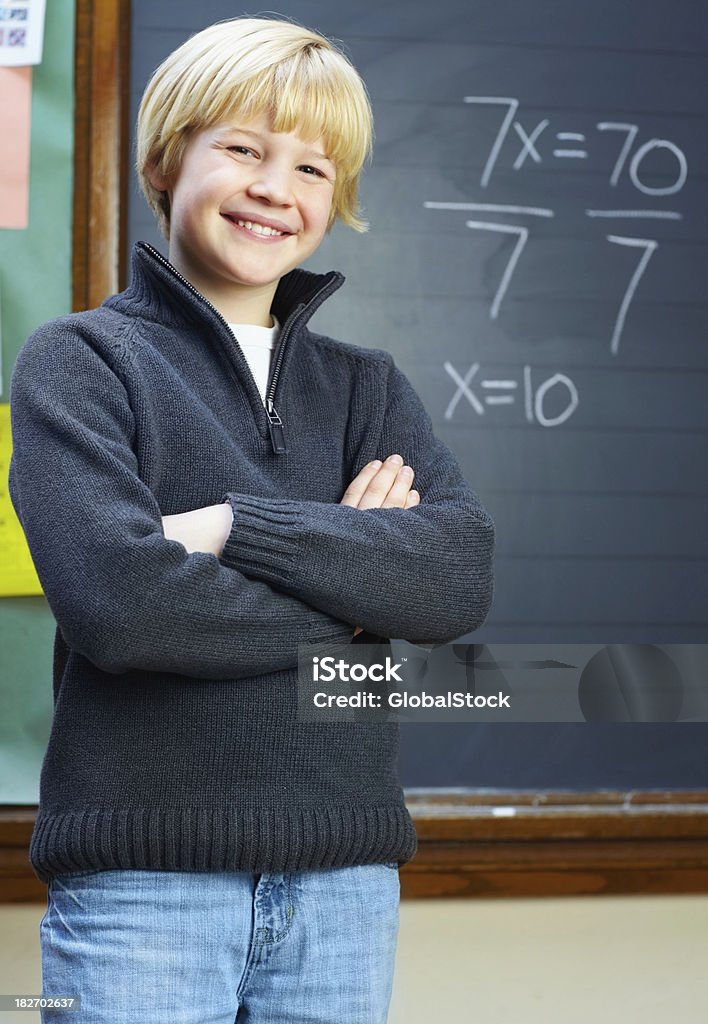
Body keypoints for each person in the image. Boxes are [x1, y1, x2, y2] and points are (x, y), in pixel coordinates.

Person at [8, 16, 495, 1024]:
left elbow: (451, 582)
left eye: (313, 168)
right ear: (163, 159)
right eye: (241, 148)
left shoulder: (367, 389)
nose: (277, 187)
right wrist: (357, 594)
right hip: (144, 885)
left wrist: (232, 526)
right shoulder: (80, 363)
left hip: (344, 878)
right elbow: (123, 607)